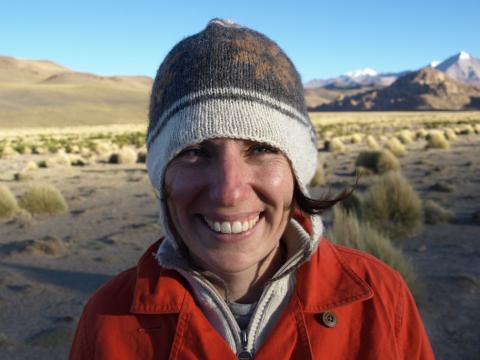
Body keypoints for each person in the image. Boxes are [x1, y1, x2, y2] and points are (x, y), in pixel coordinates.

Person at [70, 18, 434, 359]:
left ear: (298, 169)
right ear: (161, 175)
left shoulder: (381, 299)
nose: (229, 192)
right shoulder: (107, 320)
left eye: (261, 149)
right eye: (194, 151)